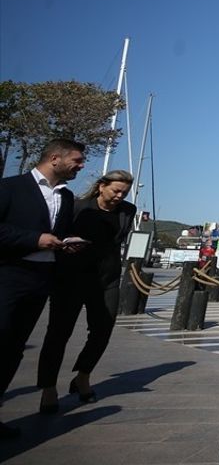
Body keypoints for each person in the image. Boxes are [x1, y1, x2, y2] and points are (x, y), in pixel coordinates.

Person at [0, 138, 86, 439]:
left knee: (14, 348)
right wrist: (34, 239)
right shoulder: (11, 188)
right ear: (54, 158)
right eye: (76, 160)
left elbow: (55, 234)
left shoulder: (65, 196)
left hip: (41, 278)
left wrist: (65, 244)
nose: (81, 166)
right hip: (9, 274)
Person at [36, 169, 137, 413]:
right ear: (102, 186)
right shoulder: (78, 207)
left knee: (103, 329)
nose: (119, 196)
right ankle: (48, 388)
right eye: (115, 191)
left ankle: (83, 375)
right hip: (71, 277)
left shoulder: (127, 211)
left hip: (107, 279)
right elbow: (57, 235)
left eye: (124, 192)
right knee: (59, 332)